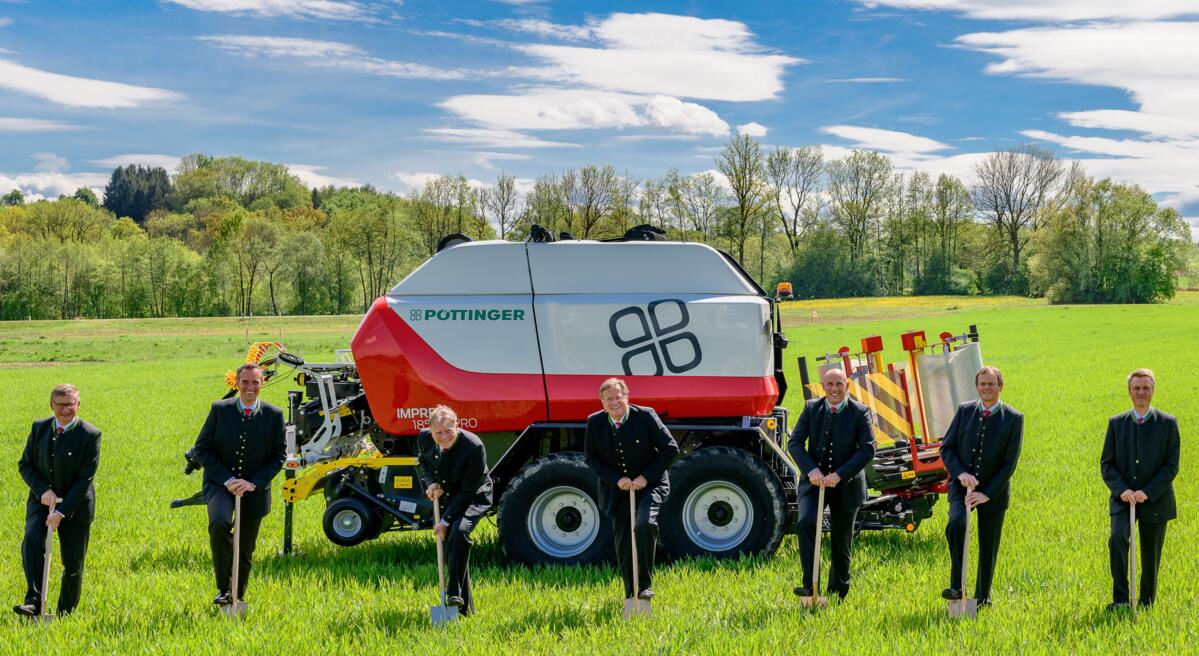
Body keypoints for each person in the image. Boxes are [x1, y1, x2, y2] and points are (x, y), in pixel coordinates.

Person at [192, 362, 285, 607]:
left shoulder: (274, 415)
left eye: (255, 382)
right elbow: (201, 448)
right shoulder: (219, 409)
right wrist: (227, 479)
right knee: (220, 523)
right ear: (237, 382)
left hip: (255, 489)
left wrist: (253, 483)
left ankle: (237, 595)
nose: (250, 387)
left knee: (245, 546)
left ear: (262, 383)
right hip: (219, 484)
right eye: (245, 382)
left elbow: (279, 457)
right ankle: (224, 589)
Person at [584, 378, 678, 602]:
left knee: (644, 524)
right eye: (609, 399)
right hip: (616, 489)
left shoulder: (645, 416)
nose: (614, 402)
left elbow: (670, 448)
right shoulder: (594, 422)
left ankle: (644, 586)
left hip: (650, 484)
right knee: (624, 540)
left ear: (627, 397)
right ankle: (631, 593)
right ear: (602, 402)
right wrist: (617, 480)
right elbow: (592, 459)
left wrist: (645, 477)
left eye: (618, 397)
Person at [940, 365, 1024, 608]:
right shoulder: (965, 411)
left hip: (993, 492)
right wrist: (961, 474)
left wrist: (986, 494)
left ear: (1000, 386)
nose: (987, 388)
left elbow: (1010, 462)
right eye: (982, 384)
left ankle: (982, 597)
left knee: (988, 544)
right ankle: (956, 586)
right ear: (977, 386)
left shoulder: (1014, 418)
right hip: (961, 486)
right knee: (956, 524)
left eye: (991, 384)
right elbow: (947, 447)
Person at [14, 384, 101, 618]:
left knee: (73, 564)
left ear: (78, 404)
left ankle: (65, 613)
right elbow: (25, 465)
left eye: (70, 404)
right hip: (41, 501)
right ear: (51, 405)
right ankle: (33, 602)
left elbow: (85, 478)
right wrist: (44, 490)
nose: (66, 409)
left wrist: (61, 512)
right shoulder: (39, 428)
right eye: (61, 404)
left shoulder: (90, 434)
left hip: (76, 506)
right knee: (32, 541)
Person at [789, 367, 875, 601]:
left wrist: (840, 475)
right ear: (822, 386)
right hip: (814, 482)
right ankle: (809, 585)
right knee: (806, 523)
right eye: (829, 384)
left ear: (846, 385)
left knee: (841, 537)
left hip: (846, 485)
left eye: (839, 384)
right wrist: (812, 470)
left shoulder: (860, 412)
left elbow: (868, 449)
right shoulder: (811, 408)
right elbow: (795, 443)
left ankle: (838, 591)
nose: (834, 389)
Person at [1101, 368, 1179, 611]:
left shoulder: (1168, 423)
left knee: (1150, 552)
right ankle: (1122, 599)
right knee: (1117, 539)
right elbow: (1107, 463)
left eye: (1146, 388)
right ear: (1129, 391)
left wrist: (1148, 491)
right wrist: (1122, 489)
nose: (1141, 392)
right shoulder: (1116, 423)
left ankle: (1146, 602)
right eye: (1136, 388)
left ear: (1153, 390)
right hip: (1123, 498)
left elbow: (1171, 466)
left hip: (1156, 499)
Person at [417, 405, 493, 616]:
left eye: (448, 430)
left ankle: (453, 592)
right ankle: (462, 608)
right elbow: (422, 461)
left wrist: (445, 521)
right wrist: (430, 482)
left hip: (474, 496)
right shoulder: (424, 438)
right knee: (454, 544)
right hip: (449, 495)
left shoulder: (473, 446)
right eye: (438, 433)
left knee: (459, 533)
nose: (443, 436)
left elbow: (469, 490)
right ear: (430, 430)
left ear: (457, 425)